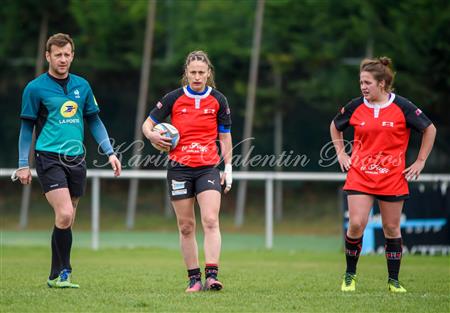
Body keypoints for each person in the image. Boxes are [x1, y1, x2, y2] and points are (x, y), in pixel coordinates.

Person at [13, 33, 121, 288]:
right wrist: (22, 163)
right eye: (57, 54)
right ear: (47, 56)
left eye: (67, 54)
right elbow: (27, 127)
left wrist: (111, 152)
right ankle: (65, 271)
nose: (63, 59)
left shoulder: (82, 86)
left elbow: (94, 120)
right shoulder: (35, 88)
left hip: (77, 158)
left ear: (73, 55)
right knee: (64, 213)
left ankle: (54, 275)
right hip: (48, 156)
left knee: (67, 218)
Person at [330, 57, 436, 293]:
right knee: (356, 224)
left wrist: (420, 161)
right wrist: (341, 153)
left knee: (391, 228)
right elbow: (335, 125)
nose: (363, 87)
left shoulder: (403, 106)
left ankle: (394, 281)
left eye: (367, 82)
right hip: (360, 174)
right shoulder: (356, 105)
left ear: (382, 83)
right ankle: (350, 276)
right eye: (361, 82)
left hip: (391, 177)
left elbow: (429, 129)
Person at [142, 50, 232, 292]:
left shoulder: (219, 100)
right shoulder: (173, 98)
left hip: (208, 168)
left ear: (209, 73)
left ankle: (212, 275)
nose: (197, 77)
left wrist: (229, 168)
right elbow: (147, 124)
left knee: (211, 220)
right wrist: (151, 135)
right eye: (192, 72)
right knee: (186, 226)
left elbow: (225, 136)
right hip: (179, 169)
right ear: (186, 73)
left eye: (201, 72)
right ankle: (194, 280)